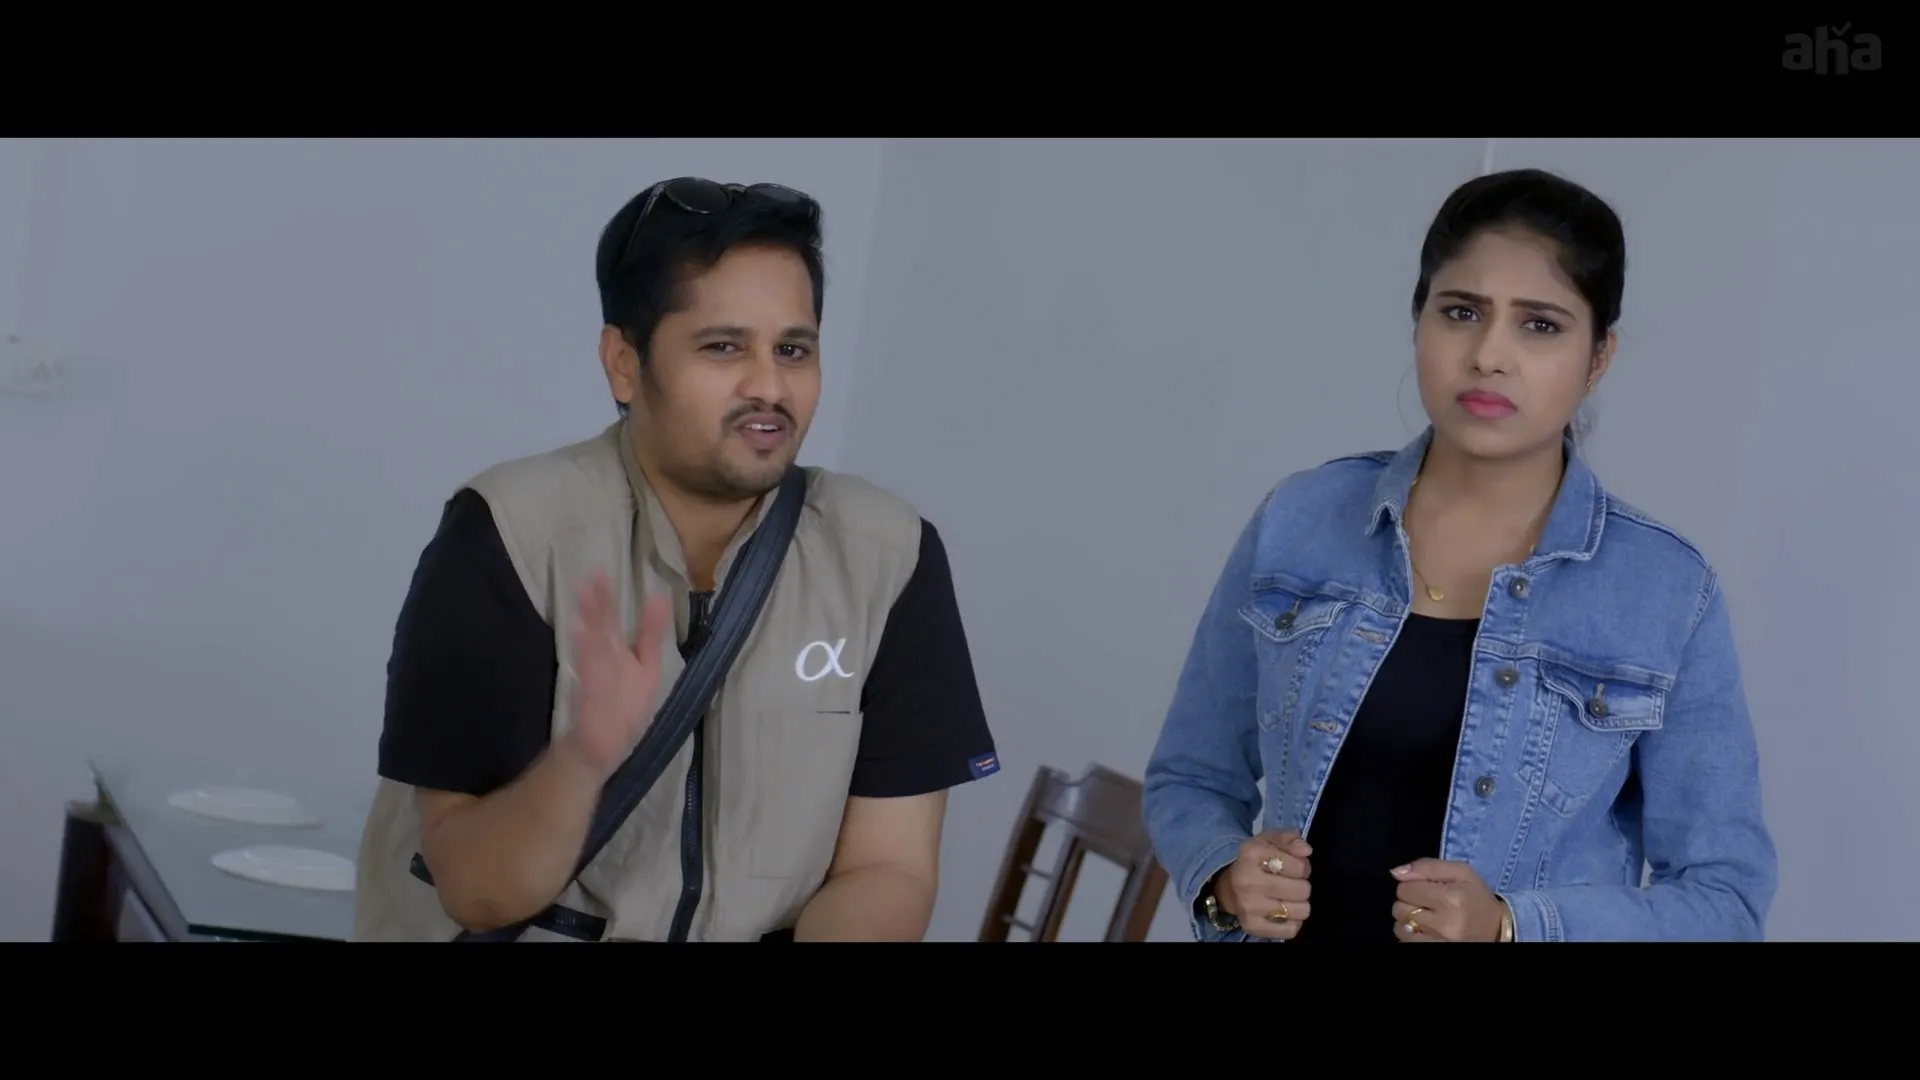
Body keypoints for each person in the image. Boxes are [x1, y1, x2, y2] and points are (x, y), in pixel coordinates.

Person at [353, 177, 1001, 942]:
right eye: (723, 347)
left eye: (793, 350)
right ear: (624, 364)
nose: (769, 386)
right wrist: (583, 758)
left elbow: (890, 869)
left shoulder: (887, 558)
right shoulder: (512, 534)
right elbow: (476, 892)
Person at [1141, 168, 1777, 943]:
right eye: (1462, 312)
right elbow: (1190, 777)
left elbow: (1724, 902)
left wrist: (1514, 927)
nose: (1488, 355)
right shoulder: (1301, 519)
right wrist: (1222, 878)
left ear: (1598, 357)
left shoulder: (1665, 591)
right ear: (1420, 321)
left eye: (1540, 325)